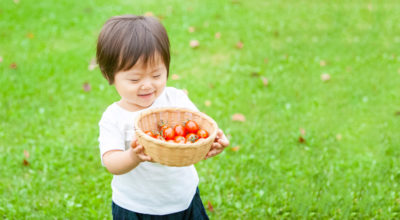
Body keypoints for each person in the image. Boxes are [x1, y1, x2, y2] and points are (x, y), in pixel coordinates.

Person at [96, 15, 230, 219]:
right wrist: (133, 157)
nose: (148, 85)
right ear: (109, 76)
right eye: (135, 79)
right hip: (137, 207)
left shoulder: (175, 98)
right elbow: (111, 162)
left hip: (184, 198)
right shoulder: (114, 117)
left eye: (157, 75)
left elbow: (197, 129)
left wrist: (213, 142)